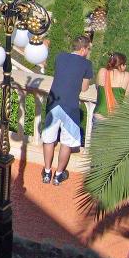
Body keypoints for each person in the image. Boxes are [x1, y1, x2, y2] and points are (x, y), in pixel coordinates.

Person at [41, 35, 93, 186]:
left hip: (54, 102)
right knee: (66, 142)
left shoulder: (60, 57)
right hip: (70, 106)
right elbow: (84, 88)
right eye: (88, 48)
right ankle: (58, 175)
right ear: (83, 49)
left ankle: (46, 172)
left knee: (49, 139)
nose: (89, 51)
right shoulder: (87, 64)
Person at [94, 52, 129, 120]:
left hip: (99, 114)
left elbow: (97, 88)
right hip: (114, 118)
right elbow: (126, 98)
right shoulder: (127, 76)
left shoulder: (102, 71)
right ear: (120, 64)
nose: (125, 66)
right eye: (124, 64)